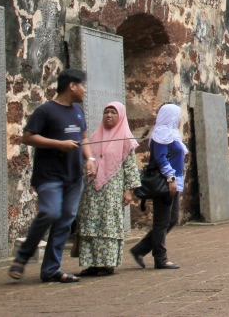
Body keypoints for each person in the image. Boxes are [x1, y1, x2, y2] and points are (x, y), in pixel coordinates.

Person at [9, 68, 95, 283]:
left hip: (74, 177)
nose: (85, 90)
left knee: (65, 221)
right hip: (50, 176)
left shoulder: (78, 111)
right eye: (82, 85)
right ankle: (23, 255)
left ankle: (51, 270)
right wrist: (58, 144)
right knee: (50, 212)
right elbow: (28, 138)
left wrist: (90, 159)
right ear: (72, 86)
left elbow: (83, 137)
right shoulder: (45, 111)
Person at [76, 101, 141, 276]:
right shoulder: (96, 136)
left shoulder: (125, 139)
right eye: (106, 112)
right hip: (93, 189)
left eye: (113, 112)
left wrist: (129, 190)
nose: (109, 115)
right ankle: (92, 264)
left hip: (112, 188)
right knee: (91, 223)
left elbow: (130, 167)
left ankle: (107, 263)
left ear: (120, 116)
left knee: (107, 224)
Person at [130, 103, 187, 270]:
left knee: (172, 219)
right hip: (165, 182)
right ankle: (160, 258)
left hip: (175, 181)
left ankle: (140, 249)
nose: (179, 119)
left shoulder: (171, 134)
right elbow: (161, 159)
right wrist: (170, 178)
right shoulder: (161, 134)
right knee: (162, 221)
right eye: (177, 115)